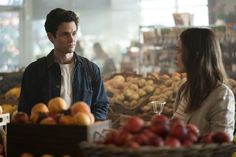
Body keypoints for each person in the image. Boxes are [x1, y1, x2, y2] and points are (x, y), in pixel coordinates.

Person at [18, 8, 109, 121]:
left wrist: (87, 123)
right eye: (65, 34)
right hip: (46, 135)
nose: (72, 39)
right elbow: (25, 112)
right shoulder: (34, 71)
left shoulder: (91, 69)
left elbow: (101, 106)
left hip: (82, 135)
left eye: (74, 33)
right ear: (51, 37)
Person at [172, 28, 235, 140]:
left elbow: (222, 146)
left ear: (195, 55)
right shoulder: (185, 89)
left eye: (179, 50)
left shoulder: (222, 95)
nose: (175, 56)